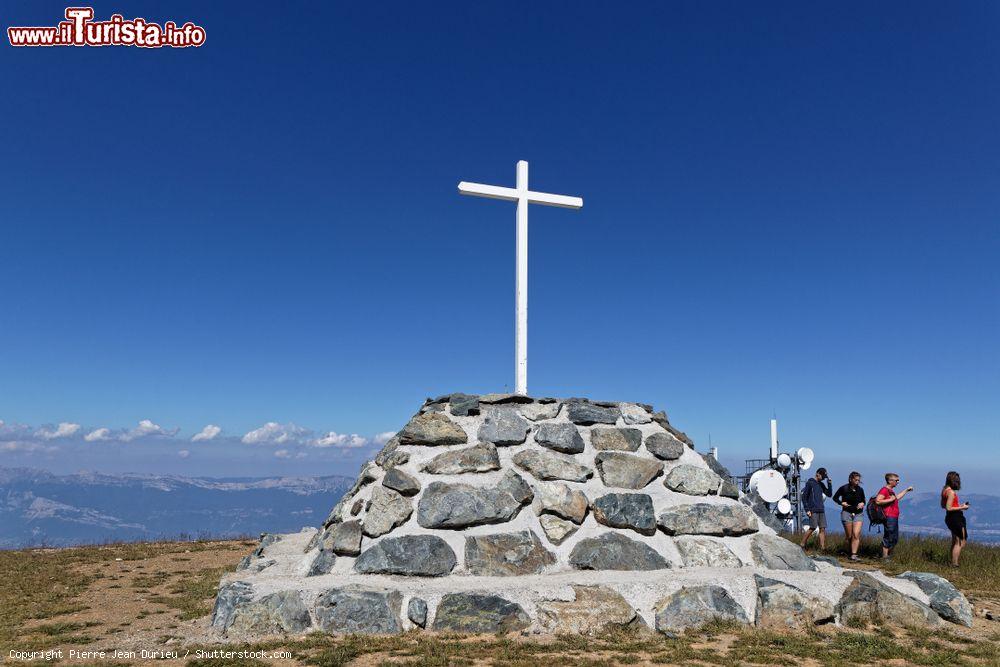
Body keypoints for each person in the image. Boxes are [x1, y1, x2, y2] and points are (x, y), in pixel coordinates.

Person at [876, 473, 913, 560]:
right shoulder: (884, 490)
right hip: (889, 516)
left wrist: (906, 490)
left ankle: (887, 555)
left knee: (894, 538)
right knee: (889, 535)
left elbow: (896, 498)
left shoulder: (891, 490)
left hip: (894, 516)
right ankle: (885, 557)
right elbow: (878, 501)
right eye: (896, 480)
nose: (898, 482)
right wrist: (890, 499)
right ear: (890, 481)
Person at [833, 471, 866, 561]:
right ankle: (847, 551)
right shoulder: (843, 488)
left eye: (858, 480)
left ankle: (854, 555)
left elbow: (864, 500)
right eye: (856, 480)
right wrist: (841, 503)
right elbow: (835, 498)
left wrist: (862, 503)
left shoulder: (860, 489)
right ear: (850, 479)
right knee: (849, 536)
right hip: (846, 513)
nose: (857, 482)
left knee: (856, 534)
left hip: (858, 513)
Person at [941, 471, 970, 567]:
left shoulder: (944, 490)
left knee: (955, 541)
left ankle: (953, 562)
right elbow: (949, 507)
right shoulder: (951, 492)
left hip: (950, 517)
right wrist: (962, 508)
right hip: (955, 518)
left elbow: (943, 505)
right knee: (960, 541)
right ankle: (954, 564)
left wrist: (958, 505)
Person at [800, 467, 832, 549]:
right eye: (823, 477)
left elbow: (829, 494)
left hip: (821, 509)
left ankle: (822, 548)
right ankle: (802, 544)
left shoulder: (821, 484)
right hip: (813, 509)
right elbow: (804, 497)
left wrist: (829, 484)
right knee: (813, 527)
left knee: (822, 528)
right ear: (818, 474)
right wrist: (807, 510)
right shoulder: (810, 483)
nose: (823, 479)